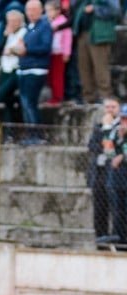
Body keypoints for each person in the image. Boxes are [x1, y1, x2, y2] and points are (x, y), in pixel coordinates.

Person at [15, 0, 52, 145]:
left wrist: (27, 50)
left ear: (41, 10)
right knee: (25, 104)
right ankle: (30, 134)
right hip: (24, 69)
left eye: (34, 9)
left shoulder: (44, 26)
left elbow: (45, 47)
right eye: (28, 9)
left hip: (36, 69)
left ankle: (37, 135)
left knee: (30, 103)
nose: (31, 12)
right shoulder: (30, 27)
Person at [71, 0, 119, 105]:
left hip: (100, 34)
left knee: (100, 67)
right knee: (83, 67)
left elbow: (115, 11)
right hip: (82, 33)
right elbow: (73, 6)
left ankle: (105, 95)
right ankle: (88, 97)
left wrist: (95, 8)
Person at [88, 98, 120, 243]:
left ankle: (117, 238)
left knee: (116, 208)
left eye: (113, 107)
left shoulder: (121, 126)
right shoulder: (98, 126)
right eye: (107, 107)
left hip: (115, 173)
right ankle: (100, 237)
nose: (110, 110)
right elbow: (93, 146)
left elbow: (112, 151)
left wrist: (107, 130)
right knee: (99, 209)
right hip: (99, 172)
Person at [0, 9, 28, 139]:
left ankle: (19, 102)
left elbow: (22, 50)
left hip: (15, 68)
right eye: (10, 21)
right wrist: (5, 36)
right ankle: (9, 132)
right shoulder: (8, 34)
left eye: (15, 21)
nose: (12, 23)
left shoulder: (25, 32)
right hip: (5, 68)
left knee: (0, 96)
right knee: (6, 102)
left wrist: (13, 50)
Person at [104, 105, 127, 244]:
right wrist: (108, 130)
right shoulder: (116, 132)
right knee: (117, 211)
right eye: (123, 119)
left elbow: (118, 157)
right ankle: (119, 239)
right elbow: (108, 152)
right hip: (117, 179)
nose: (124, 122)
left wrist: (123, 157)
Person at [45, 0, 72, 106]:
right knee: (51, 77)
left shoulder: (63, 22)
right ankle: (53, 95)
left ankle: (58, 96)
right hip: (50, 53)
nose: (48, 13)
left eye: (50, 10)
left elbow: (67, 39)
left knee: (58, 76)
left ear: (58, 10)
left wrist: (66, 53)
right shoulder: (47, 21)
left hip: (59, 53)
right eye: (46, 11)